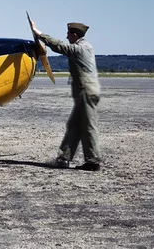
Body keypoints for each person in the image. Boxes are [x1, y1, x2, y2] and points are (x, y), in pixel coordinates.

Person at [30, 20, 101, 171]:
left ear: (75, 35)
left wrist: (40, 34)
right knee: (74, 126)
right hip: (88, 91)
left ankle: (93, 161)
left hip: (85, 92)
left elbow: (60, 46)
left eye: (68, 34)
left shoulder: (80, 49)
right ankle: (64, 158)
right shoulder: (87, 46)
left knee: (88, 126)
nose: (67, 36)